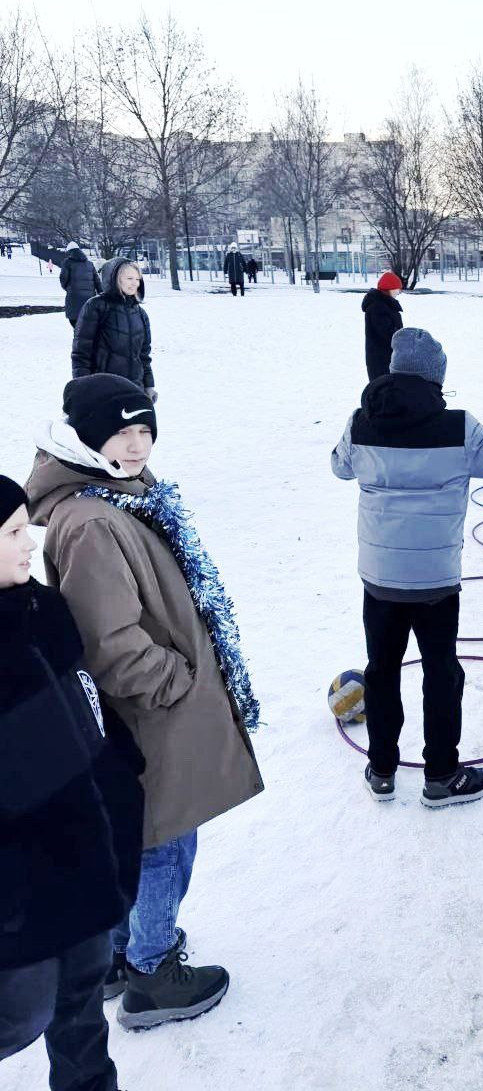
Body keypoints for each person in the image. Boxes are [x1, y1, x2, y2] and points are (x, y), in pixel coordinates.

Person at [25, 376, 264, 1031]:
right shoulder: (93, 521)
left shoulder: (116, 495)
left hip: (159, 711)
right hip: (154, 714)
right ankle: (152, 971)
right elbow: (113, 643)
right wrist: (178, 683)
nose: (135, 445)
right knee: (164, 839)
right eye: (121, 432)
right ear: (86, 438)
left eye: (143, 430)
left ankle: (124, 951)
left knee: (152, 833)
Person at [332, 328, 483, 807]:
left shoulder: (361, 422)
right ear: (436, 378)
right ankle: (441, 776)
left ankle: (381, 769)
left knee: (381, 669)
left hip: (379, 578)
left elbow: (340, 467)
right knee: (441, 670)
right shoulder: (459, 428)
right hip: (435, 582)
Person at [0, 475, 144, 1090]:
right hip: (16, 901)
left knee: (82, 1023)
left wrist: (122, 784)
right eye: (10, 533)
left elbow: (88, 717)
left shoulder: (46, 610)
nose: (29, 542)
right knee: (18, 1018)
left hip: (81, 871)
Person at [72, 258, 156, 400]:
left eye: (137, 279)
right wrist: (83, 386)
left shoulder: (141, 314)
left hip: (134, 388)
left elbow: (144, 355)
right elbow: (81, 353)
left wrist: (148, 385)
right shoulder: (96, 306)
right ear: (116, 279)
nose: (135, 283)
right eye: (129, 278)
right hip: (103, 388)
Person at [362, 271, 404, 381]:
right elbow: (387, 333)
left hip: (387, 355)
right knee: (382, 390)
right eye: (397, 289)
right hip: (381, 358)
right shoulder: (378, 307)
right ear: (389, 289)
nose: (399, 292)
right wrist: (403, 338)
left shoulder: (385, 304)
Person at [59, 241, 102, 327]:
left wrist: (68, 288)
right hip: (90, 300)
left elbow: (63, 279)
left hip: (74, 298)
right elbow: (97, 282)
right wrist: (101, 294)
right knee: (89, 325)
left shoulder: (67, 262)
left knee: (76, 325)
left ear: (69, 252)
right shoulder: (90, 264)